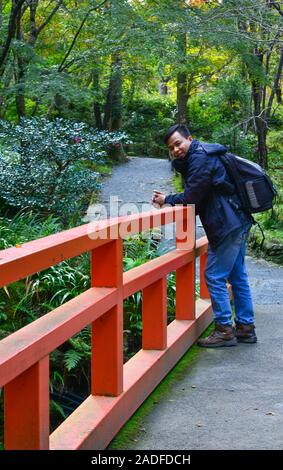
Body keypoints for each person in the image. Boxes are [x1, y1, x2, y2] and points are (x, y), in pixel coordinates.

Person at [152, 124, 257, 347]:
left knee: (214, 276)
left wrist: (167, 199)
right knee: (237, 276)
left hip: (227, 224)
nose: (176, 150)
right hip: (237, 219)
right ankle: (246, 328)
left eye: (178, 144)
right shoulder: (203, 155)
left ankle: (224, 330)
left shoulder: (200, 159)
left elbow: (192, 197)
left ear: (190, 138)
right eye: (172, 148)